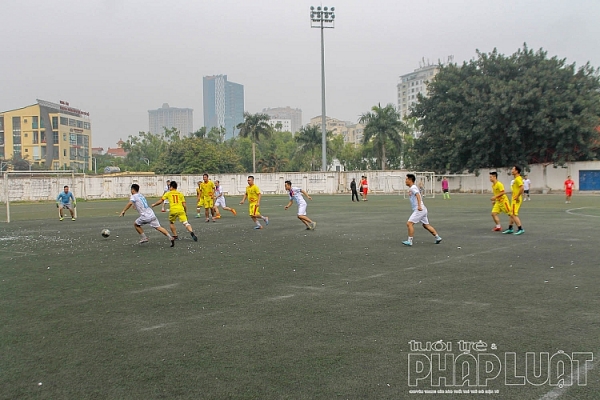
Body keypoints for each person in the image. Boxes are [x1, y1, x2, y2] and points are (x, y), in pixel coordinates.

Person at [402, 174, 442, 246]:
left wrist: (419, 206)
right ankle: (437, 237)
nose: (405, 181)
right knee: (426, 225)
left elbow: (418, 195)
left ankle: (409, 241)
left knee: (409, 223)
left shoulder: (413, 188)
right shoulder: (413, 188)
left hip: (419, 209)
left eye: (406, 179)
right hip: (423, 209)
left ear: (410, 180)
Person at [503, 166, 525, 235]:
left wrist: (517, 196)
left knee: (513, 214)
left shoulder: (518, 179)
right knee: (511, 214)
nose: (512, 170)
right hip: (514, 198)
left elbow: (522, 188)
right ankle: (510, 228)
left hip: (516, 199)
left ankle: (520, 229)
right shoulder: (516, 179)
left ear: (516, 171)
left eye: (513, 169)